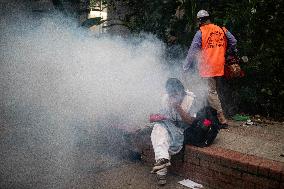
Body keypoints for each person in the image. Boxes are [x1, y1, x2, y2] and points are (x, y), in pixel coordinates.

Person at [183, 10, 238, 127]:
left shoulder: (201, 32)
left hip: (208, 67)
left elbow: (192, 51)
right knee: (215, 91)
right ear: (209, 18)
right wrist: (226, 52)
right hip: (220, 65)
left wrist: (185, 67)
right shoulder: (222, 29)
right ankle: (210, 114)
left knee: (210, 92)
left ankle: (221, 119)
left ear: (200, 21)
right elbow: (233, 41)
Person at [150, 78, 195, 185]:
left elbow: (191, 121)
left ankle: (161, 172)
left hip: (183, 129)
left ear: (181, 91)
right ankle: (162, 162)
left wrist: (177, 107)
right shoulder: (166, 98)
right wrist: (156, 116)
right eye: (170, 93)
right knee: (158, 129)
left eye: (175, 93)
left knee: (162, 139)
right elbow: (163, 115)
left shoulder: (191, 100)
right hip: (169, 126)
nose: (172, 96)